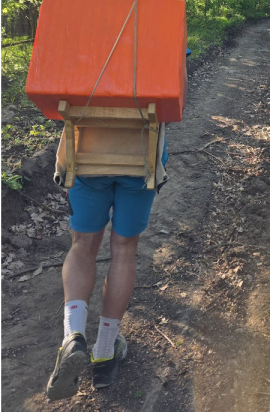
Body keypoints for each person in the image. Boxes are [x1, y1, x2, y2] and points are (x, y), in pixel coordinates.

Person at [45, 126, 169, 399]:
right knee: (124, 250)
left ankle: (73, 335)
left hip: (85, 154)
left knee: (82, 245)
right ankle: (104, 352)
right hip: (140, 157)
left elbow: (51, 102)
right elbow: (174, 107)